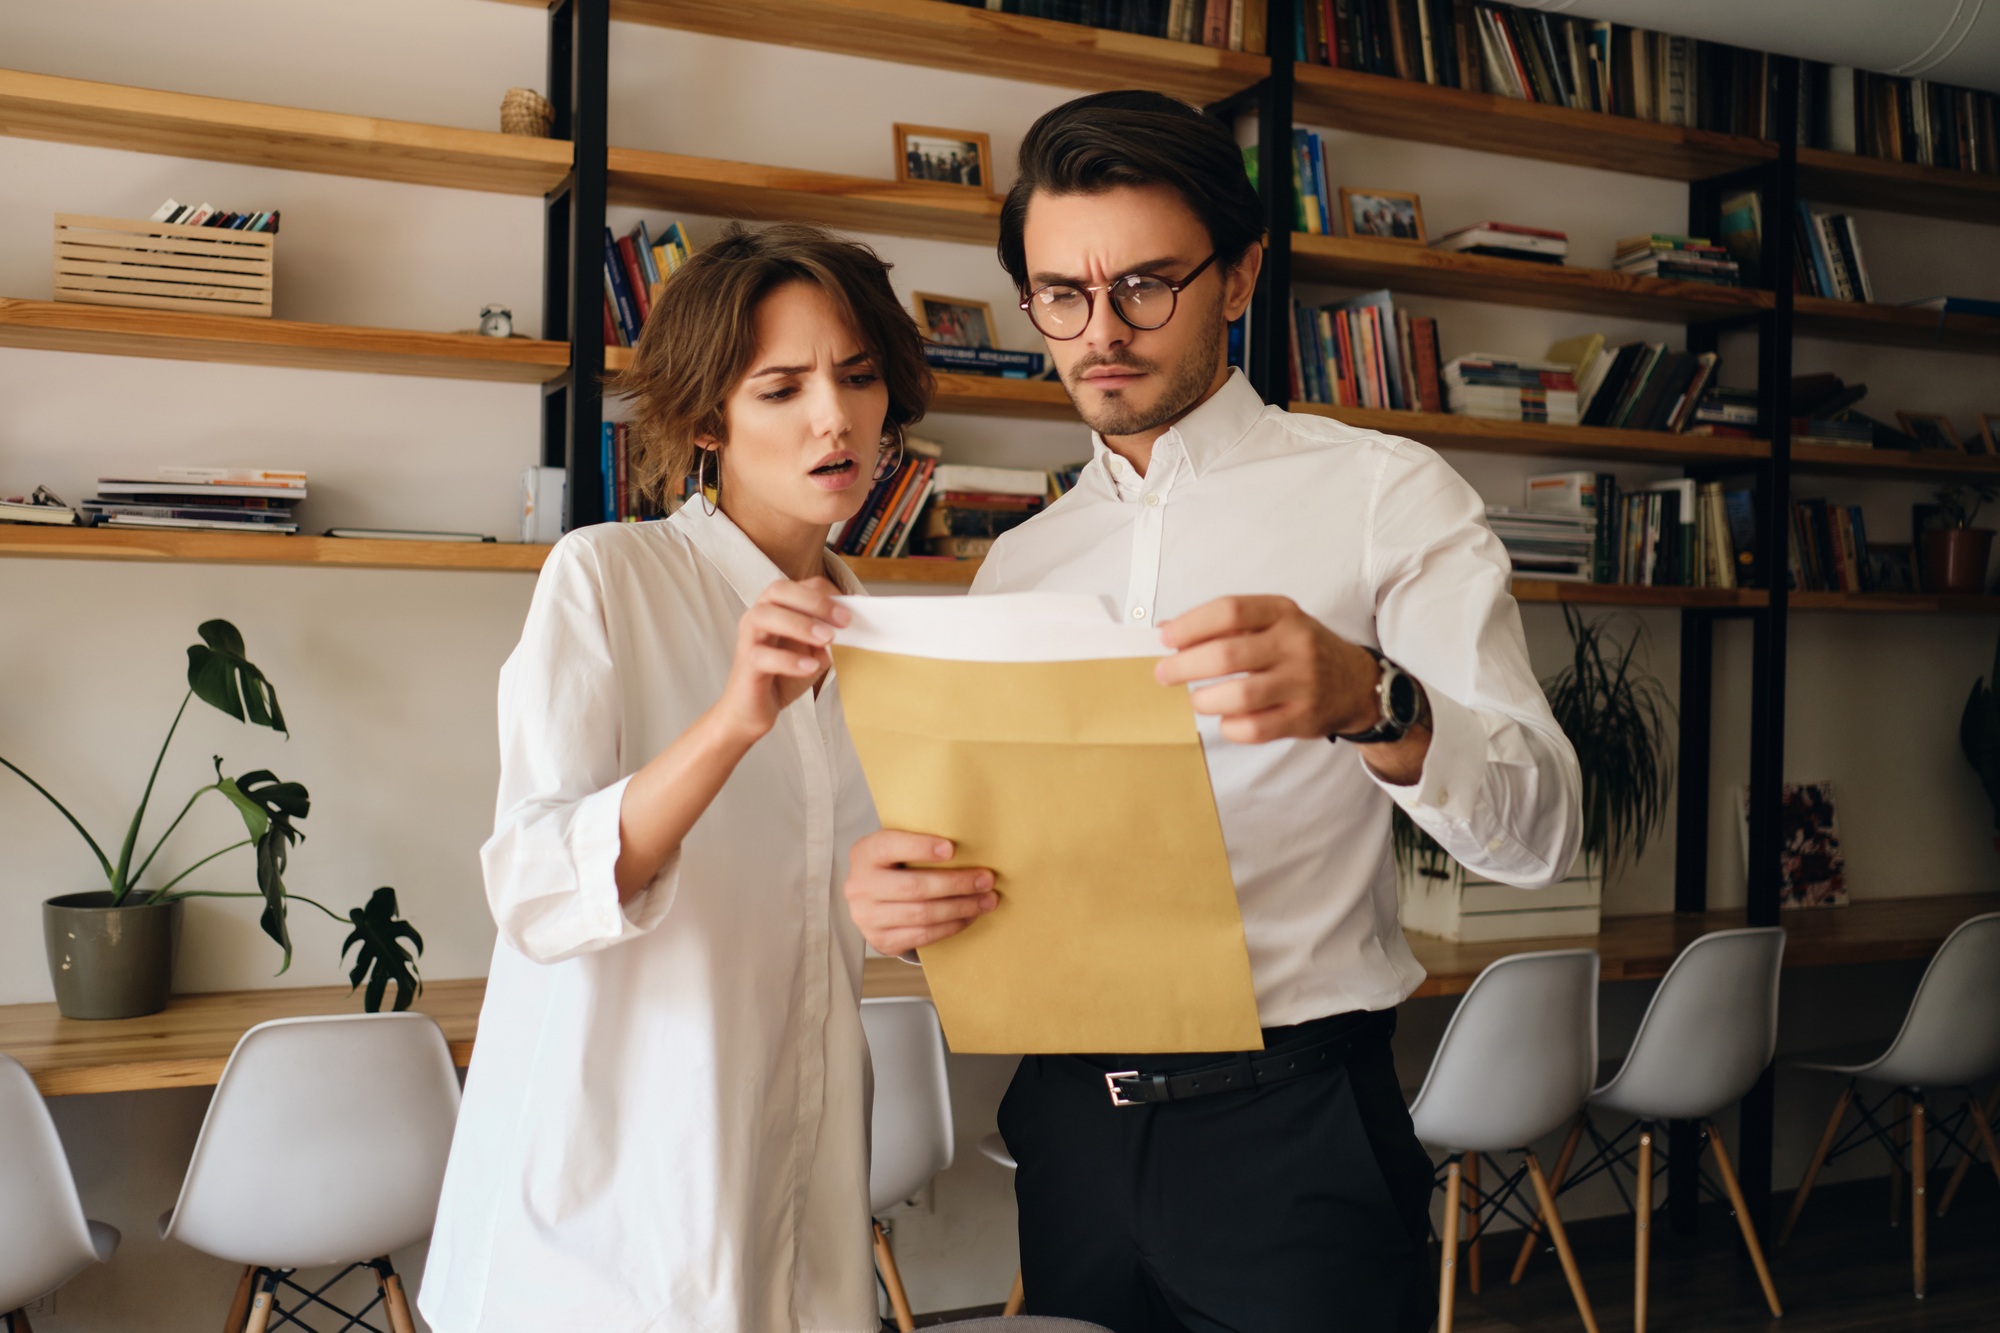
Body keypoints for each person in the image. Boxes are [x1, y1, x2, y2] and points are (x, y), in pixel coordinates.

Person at [843, 91, 1583, 1332]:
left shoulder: (1381, 497)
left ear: (1237, 277)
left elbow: (1538, 830)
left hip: (1290, 1125)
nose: (1099, 333)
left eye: (1144, 286)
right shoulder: (1019, 564)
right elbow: (996, 864)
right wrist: (903, 910)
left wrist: (1371, 697)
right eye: (1060, 297)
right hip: (1066, 1128)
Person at [419, 223, 937, 1332]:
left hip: (795, 1183)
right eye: (780, 387)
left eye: (856, 378)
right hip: (607, 1213)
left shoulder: (893, 643)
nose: (831, 417)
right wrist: (730, 721)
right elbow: (535, 888)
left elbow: (857, 903)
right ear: (707, 418)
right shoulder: (606, 576)